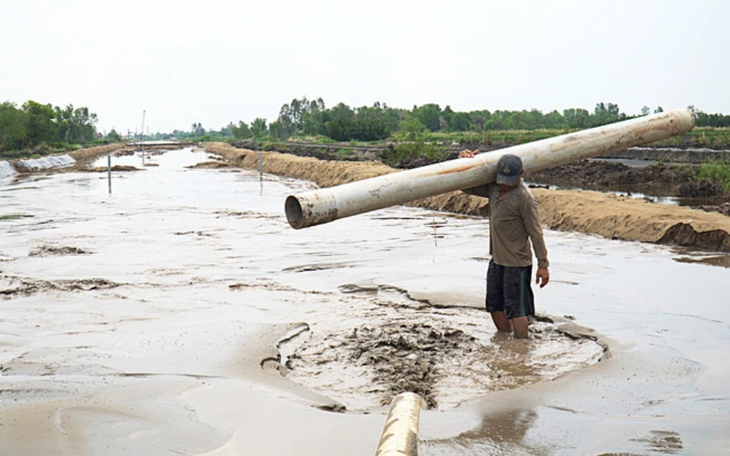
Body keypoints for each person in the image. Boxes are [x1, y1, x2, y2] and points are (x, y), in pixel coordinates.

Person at [459, 150, 550, 339]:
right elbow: (465, 187)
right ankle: (505, 342)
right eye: (502, 180)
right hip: (497, 260)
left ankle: (522, 349)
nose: (505, 185)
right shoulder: (494, 188)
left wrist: (543, 265)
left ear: (521, 174)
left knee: (517, 310)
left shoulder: (525, 199)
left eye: (510, 180)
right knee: (494, 305)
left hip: (517, 264)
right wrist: (464, 163)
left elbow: (536, 233)